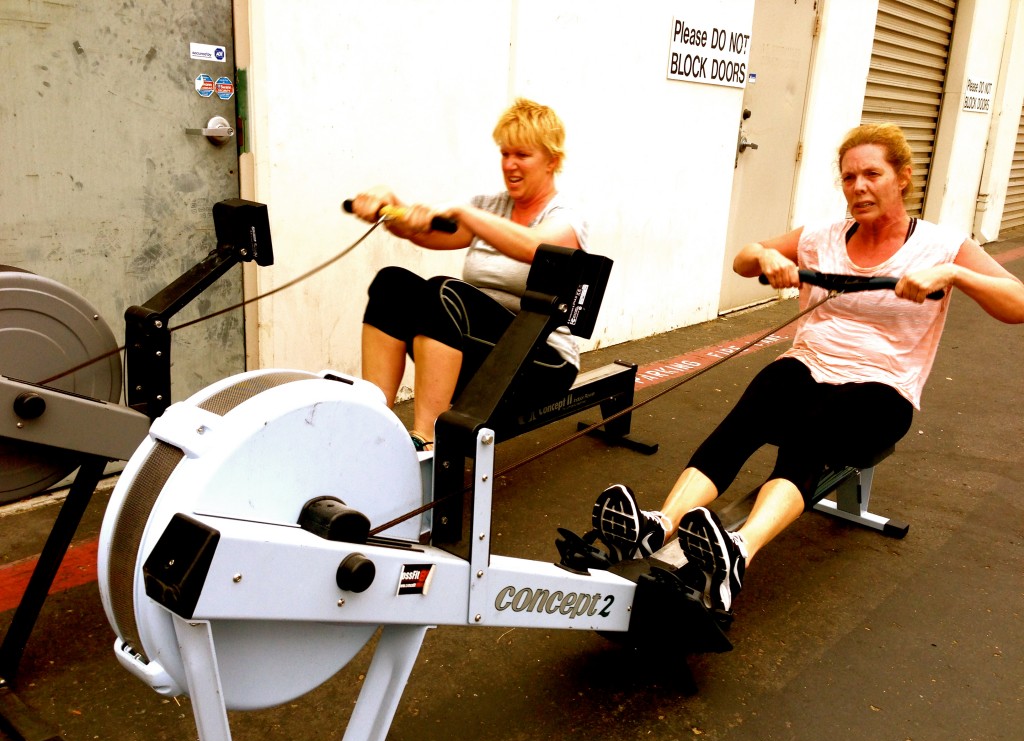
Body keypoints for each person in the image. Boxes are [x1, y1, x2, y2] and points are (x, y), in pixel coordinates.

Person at [590, 122, 1024, 614]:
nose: (858, 187)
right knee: (754, 406)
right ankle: (659, 525)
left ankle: (739, 551)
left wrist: (955, 273)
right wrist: (767, 258)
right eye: (848, 177)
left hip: (883, 389)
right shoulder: (822, 237)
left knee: (810, 430)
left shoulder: (942, 246)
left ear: (902, 177)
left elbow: (1017, 304)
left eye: (872, 174)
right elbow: (744, 258)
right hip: (808, 365)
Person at [349, 97, 588, 450]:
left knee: (443, 292)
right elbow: (424, 232)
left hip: (541, 363)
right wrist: (388, 206)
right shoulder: (491, 205)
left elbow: (533, 246)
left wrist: (466, 214)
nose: (510, 165)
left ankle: (428, 442)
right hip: (482, 352)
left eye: (522, 155)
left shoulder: (565, 217)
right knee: (392, 283)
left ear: (552, 160)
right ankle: (373, 426)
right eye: (505, 154)